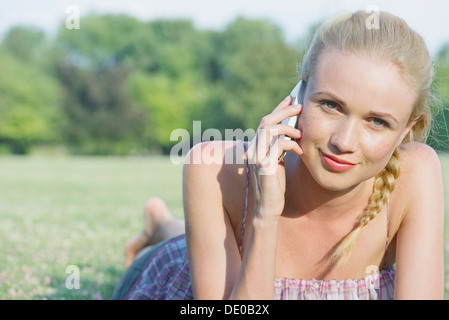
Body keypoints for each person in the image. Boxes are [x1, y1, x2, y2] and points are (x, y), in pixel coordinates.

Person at [112, 10, 445, 300]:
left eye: (377, 122)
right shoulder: (212, 167)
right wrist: (264, 215)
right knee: (184, 249)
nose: (344, 142)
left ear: (406, 131)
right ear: (298, 94)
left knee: (189, 237)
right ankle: (165, 230)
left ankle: (163, 223)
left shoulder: (416, 172)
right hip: (183, 270)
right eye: (330, 105)